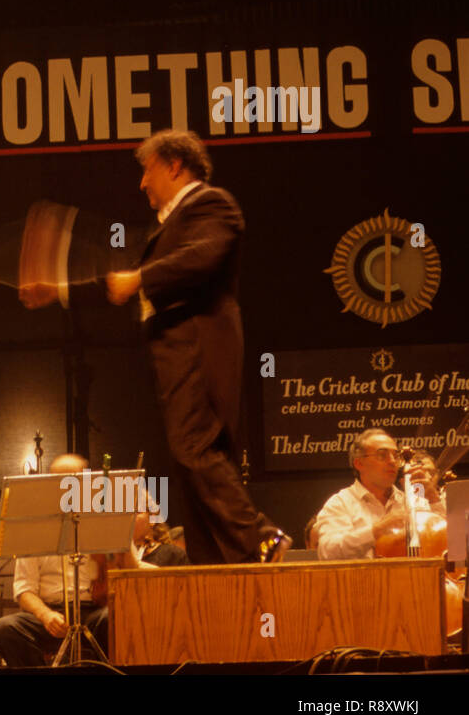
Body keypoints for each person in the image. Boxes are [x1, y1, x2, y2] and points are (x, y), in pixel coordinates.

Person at [101, 129, 288, 564]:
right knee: (193, 460)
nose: (142, 183)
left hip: (200, 348)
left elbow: (203, 256)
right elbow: (133, 280)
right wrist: (57, 288)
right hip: (175, 355)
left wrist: (142, 278)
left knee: (195, 448)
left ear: (174, 165)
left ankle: (260, 537)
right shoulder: (167, 226)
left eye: (147, 171)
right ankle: (215, 566)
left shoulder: (212, 204)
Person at [0, 454, 147, 667]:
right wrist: (46, 615)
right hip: (51, 613)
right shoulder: (35, 527)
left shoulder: (105, 517)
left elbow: (132, 572)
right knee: (4, 628)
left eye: (75, 480)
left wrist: (121, 525)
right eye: (59, 481)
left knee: (118, 619)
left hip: (96, 611)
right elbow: (24, 591)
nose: (67, 488)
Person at [315, 428, 443, 560]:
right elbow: (327, 553)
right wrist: (376, 530)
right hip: (363, 579)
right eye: (382, 455)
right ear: (359, 463)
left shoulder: (410, 502)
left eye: (395, 455)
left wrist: (434, 500)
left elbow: (447, 541)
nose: (392, 461)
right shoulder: (341, 503)